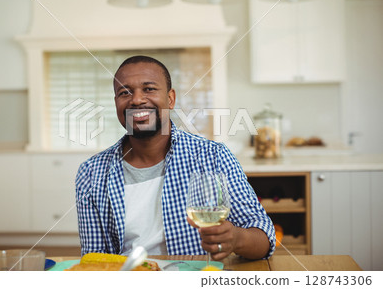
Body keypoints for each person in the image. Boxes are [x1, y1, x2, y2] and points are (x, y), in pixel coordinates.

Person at [75, 55, 276, 260]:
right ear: (116, 102)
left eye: (149, 89)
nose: (136, 100)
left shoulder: (213, 156)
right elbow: (94, 260)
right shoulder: (91, 172)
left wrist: (236, 238)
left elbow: (264, 238)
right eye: (124, 92)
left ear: (170, 99)